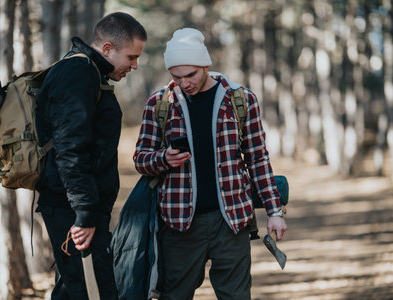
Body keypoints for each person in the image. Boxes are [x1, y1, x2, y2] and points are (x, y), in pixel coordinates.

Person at [133, 28, 287, 300]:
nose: (184, 83)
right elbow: (141, 159)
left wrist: (275, 211)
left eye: (190, 75)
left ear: (206, 65)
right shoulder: (159, 103)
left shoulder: (241, 100)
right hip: (179, 223)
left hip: (232, 220)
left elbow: (258, 158)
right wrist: (163, 159)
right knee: (174, 295)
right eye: (176, 76)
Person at [35, 12, 147, 299]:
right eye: (131, 57)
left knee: (73, 292)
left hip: (76, 207)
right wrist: (84, 215)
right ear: (107, 48)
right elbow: (69, 149)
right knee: (96, 293)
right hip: (73, 210)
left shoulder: (88, 72)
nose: (134, 66)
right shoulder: (79, 73)